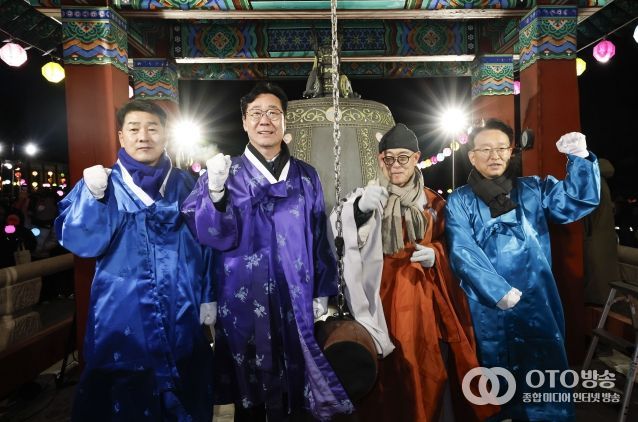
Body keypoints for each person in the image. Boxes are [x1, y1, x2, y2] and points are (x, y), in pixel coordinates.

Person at [182, 82, 352, 421]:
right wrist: (215, 194)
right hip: (239, 295)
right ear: (244, 122)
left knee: (295, 377)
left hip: (295, 293)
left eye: (274, 113)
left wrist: (322, 289)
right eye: (256, 113)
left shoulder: (306, 176)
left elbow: (319, 234)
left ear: (285, 121)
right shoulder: (223, 173)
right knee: (248, 384)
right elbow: (205, 236)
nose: (265, 120)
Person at [55, 100, 216, 421]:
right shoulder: (102, 184)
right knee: (122, 394)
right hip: (121, 312)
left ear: (165, 134)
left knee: (185, 385)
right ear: (121, 136)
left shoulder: (186, 184)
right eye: (134, 129)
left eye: (152, 128)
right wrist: (93, 199)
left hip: (181, 309)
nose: (143, 136)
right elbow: (79, 241)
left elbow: (208, 243)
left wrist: (208, 295)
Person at [335, 123, 497, 422]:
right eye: (388, 158)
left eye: (403, 158)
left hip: (422, 301)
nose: (395, 165)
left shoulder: (434, 203)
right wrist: (358, 209)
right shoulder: (367, 196)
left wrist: (437, 254)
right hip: (376, 298)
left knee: (425, 369)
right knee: (383, 375)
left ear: (416, 158)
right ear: (380, 159)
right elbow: (337, 233)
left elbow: (459, 248)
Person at [445, 118, 600, 421]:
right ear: (472, 156)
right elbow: (462, 251)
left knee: (544, 364)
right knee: (493, 368)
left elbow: (575, 201)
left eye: (501, 148)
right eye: (485, 149)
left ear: (511, 152)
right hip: (488, 304)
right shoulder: (460, 200)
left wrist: (580, 159)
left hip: (536, 298)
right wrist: (497, 291)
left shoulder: (534, 189)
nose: (494, 155)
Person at [584, 158, 620, 305]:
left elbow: (586, 215)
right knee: (606, 273)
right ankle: (608, 300)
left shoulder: (589, 181)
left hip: (595, 236)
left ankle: (597, 301)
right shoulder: (602, 181)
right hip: (606, 235)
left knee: (596, 276)